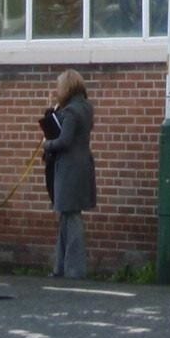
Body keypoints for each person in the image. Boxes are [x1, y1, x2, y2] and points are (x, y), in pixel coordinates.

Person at [43, 69, 97, 278]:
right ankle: (61, 267)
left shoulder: (71, 112)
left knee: (71, 218)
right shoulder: (86, 107)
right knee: (67, 216)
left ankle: (74, 270)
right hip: (82, 165)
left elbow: (64, 141)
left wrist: (47, 144)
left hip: (69, 169)